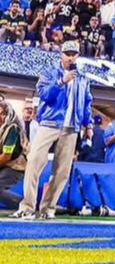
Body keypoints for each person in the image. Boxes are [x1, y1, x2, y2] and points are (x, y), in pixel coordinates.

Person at [12, 39, 93, 219]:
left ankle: (48, 209)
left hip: (71, 127)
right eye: (67, 54)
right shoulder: (49, 72)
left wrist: (88, 125)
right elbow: (45, 95)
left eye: (74, 54)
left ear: (78, 56)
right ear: (61, 54)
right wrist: (61, 81)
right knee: (33, 161)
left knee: (62, 170)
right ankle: (27, 206)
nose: (70, 58)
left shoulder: (83, 78)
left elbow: (87, 103)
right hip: (50, 123)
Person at [0, 98, 27, 208]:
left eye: (2, 114)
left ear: (8, 115)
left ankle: (28, 205)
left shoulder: (12, 129)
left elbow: (6, 157)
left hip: (15, 166)